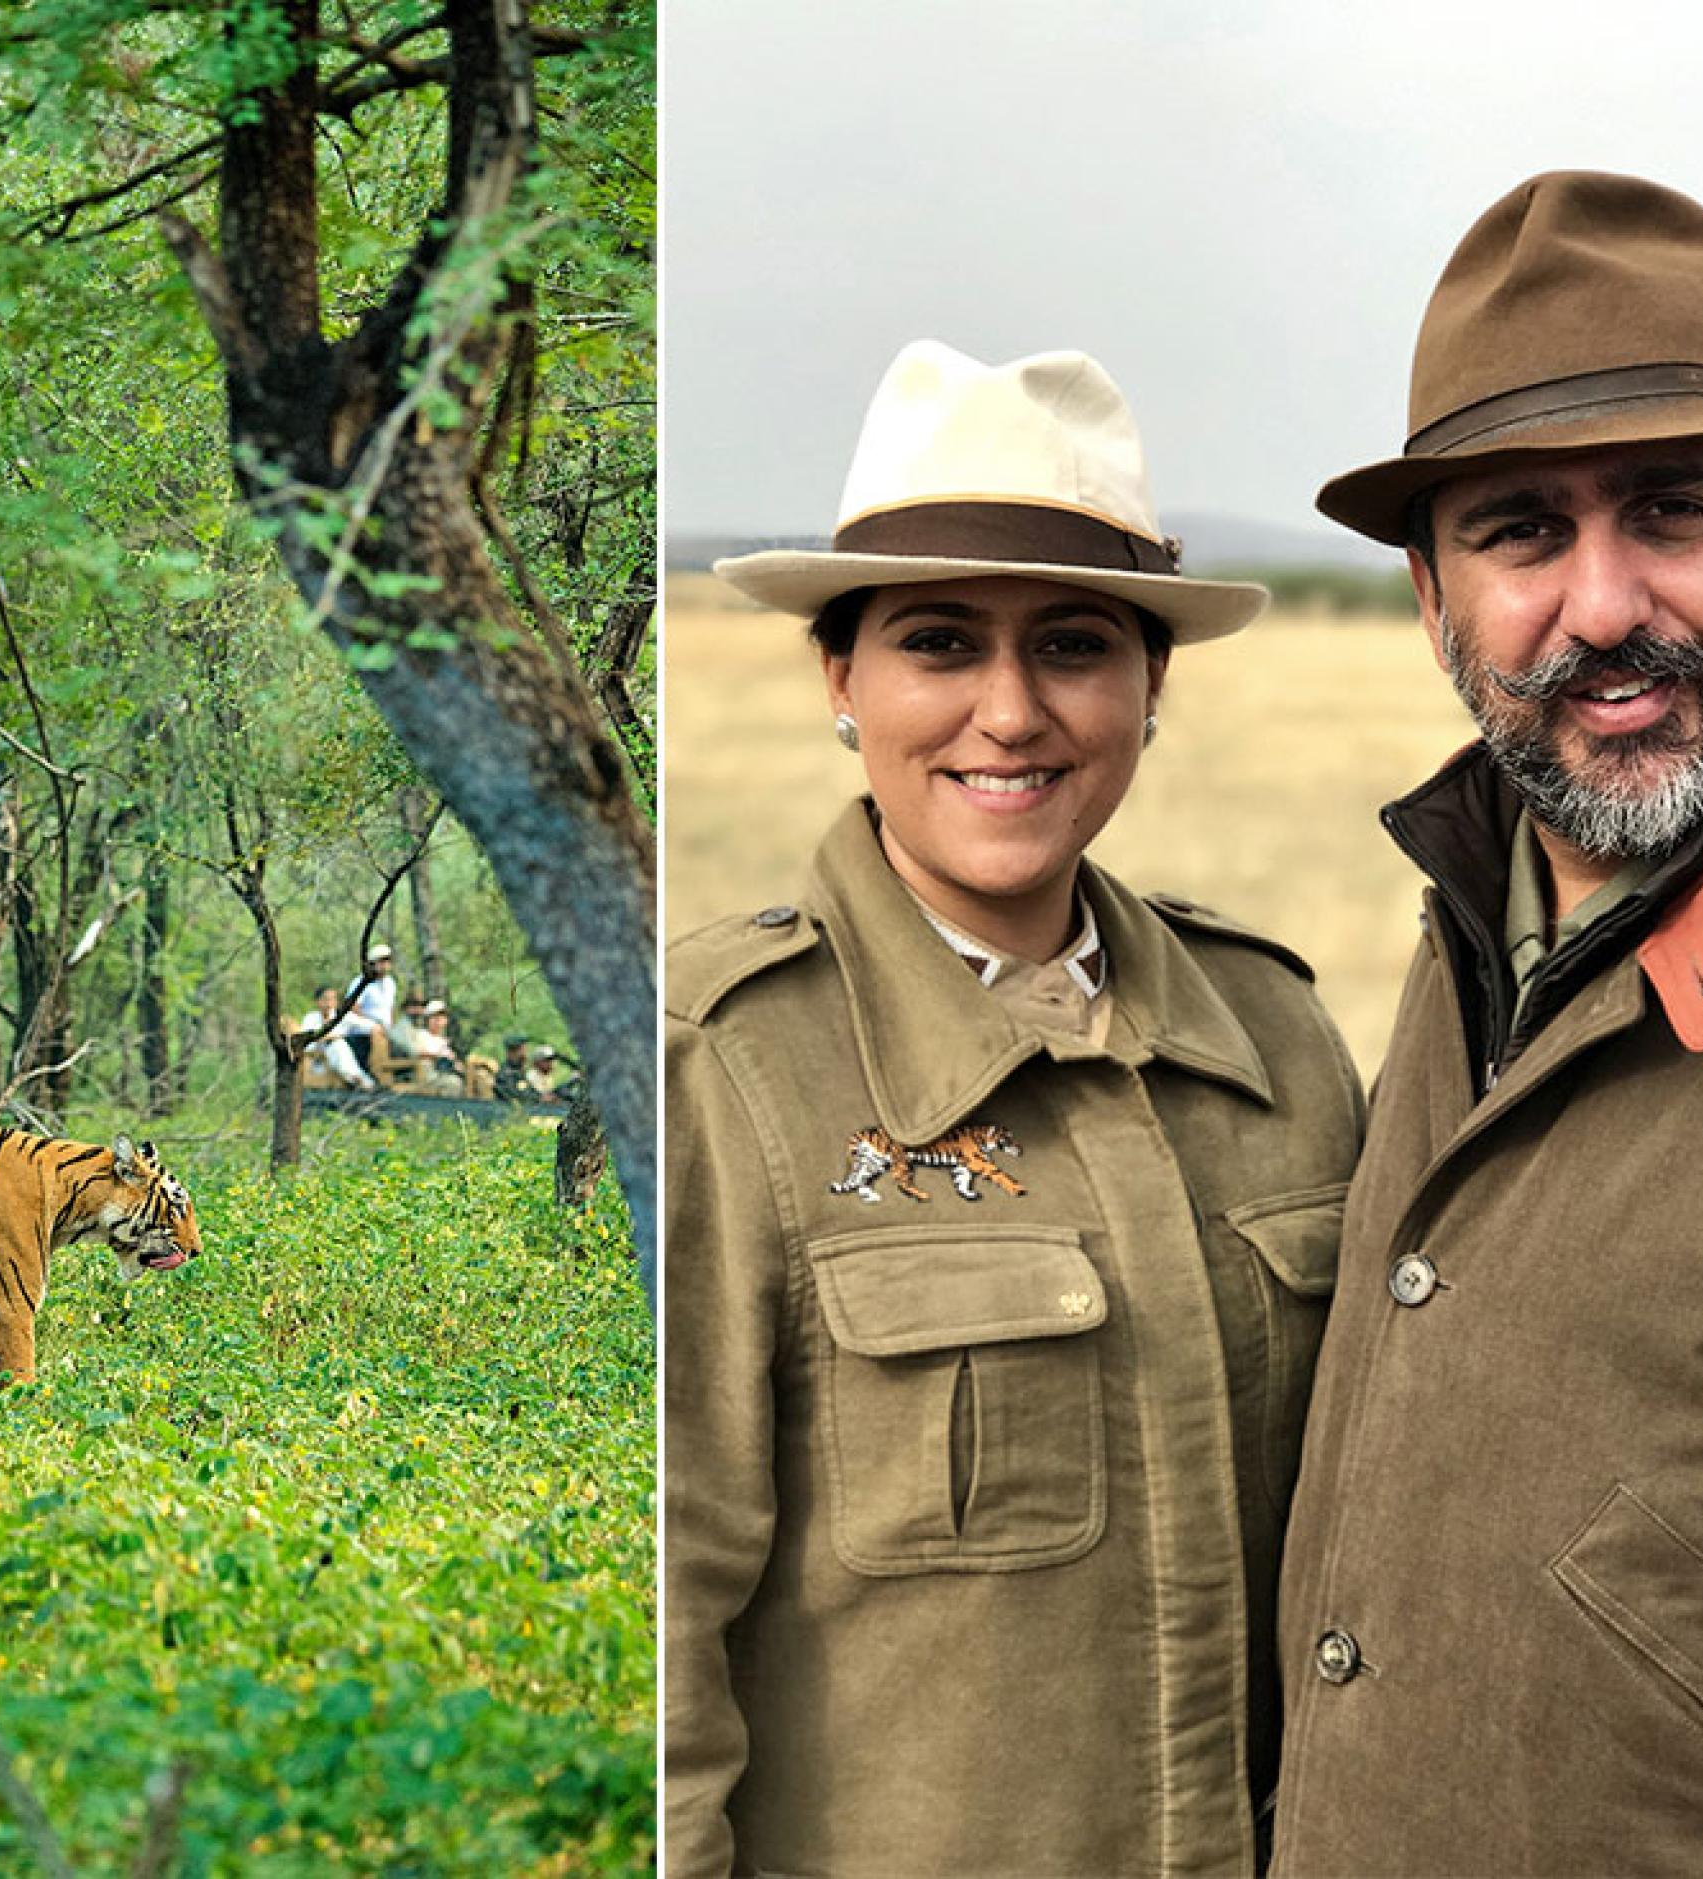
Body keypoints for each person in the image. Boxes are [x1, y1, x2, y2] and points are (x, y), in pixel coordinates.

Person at [1269, 172, 1703, 1873]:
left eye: (1669, 512)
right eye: (1519, 534)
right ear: (1432, 596)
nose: (1604, 604)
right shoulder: (1475, 902)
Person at [667, 341, 1368, 1877]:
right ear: (841, 678)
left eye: (1072, 644)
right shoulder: (718, 1069)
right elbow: (658, 1658)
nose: (1010, 711)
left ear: (1149, 687)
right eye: (937, 643)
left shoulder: (1281, 1037)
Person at [318, 943, 400, 1090]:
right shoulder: (361, 982)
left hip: (385, 1027)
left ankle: (393, 1079)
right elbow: (353, 1006)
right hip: (362, 1028)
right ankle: (375, 1076)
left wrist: (390, 1026)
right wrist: (370, 1023)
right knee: (374, 1037)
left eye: (387, 961)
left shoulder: (390, 983)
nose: (385, 965)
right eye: (381, 961)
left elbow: (391, 1007)